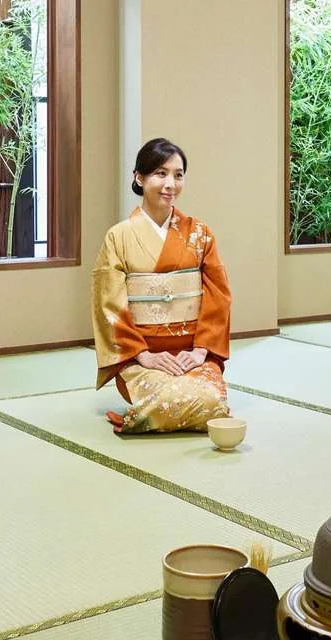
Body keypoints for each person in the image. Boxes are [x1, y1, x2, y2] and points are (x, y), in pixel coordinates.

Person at [91, 138, 232, 433]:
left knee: (211, 404)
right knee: (170, 399)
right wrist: (142, 354)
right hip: (142, 358)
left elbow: (218, 296)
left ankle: (148, 415)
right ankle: (148, 407)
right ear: (139, 178)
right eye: (160, 173)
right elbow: (109, 306)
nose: (171, 184)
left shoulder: (200, 234)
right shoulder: (118, 237)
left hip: (191, 355)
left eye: (178, 175)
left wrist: (201, 351)